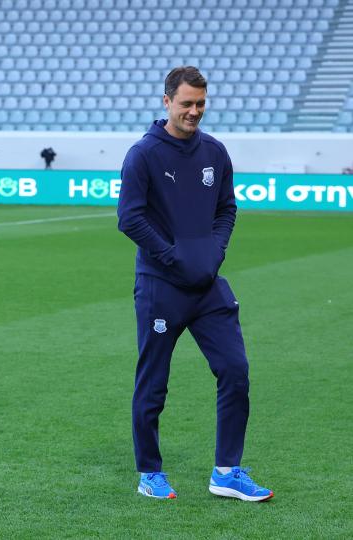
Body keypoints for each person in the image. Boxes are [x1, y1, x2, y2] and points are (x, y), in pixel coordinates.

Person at [117, 66, 273, 502]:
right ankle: (150, 472)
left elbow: (227, 209)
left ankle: (227, 471)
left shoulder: (215, 152)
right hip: (161, 286)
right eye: (186, 103)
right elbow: (129, 218)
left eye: (201, 103)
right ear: (167, 101)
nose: (194, 111)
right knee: (153, 383)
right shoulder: (143, 154)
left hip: (207, 285)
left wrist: (214, 251)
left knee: (235, 371)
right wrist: (173, 256)